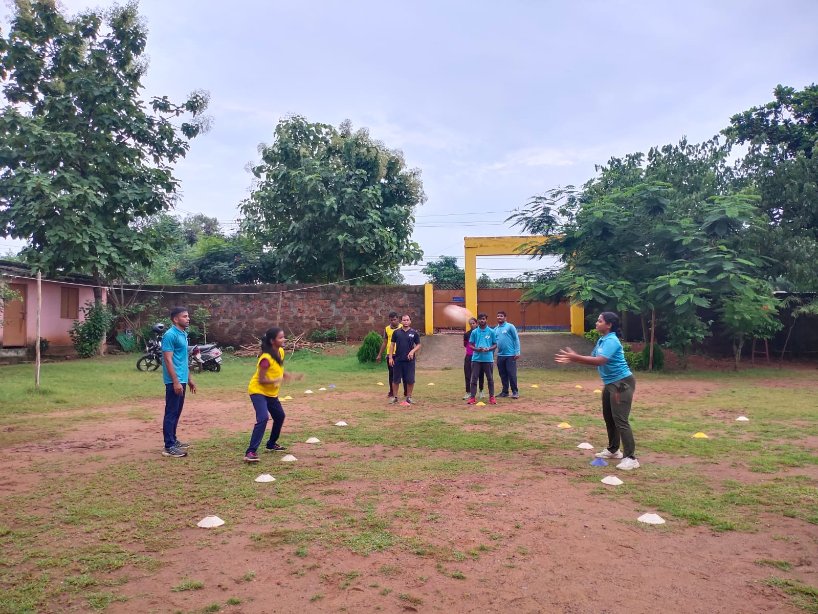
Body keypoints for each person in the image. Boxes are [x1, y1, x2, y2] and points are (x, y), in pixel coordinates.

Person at [555, 312, 639, 471]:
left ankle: (631, 458)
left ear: (609, 325)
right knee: (609, 417)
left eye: (599, 321)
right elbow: (594, 360)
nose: (596, 323)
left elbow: (601, 361)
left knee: (620, 419)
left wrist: (575, 357)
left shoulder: (612, 340)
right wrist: (575, 358)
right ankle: (614, 450)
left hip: (622, 383)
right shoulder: (602, 340)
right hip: (610, 383)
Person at [244, 327, 300, 463]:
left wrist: (287, 375)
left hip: (271, 393)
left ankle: (271, 443)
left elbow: (278, 368)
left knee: (280, 416)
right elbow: (261, 380)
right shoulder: (265, 358)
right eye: (280, 337)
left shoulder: (280, 351)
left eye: (283, 336)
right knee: (263, 418)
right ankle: (250, 452)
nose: (284, 339)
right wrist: (277, 380)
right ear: (272, 341)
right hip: (258, 391)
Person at [161, 306, 196, 457]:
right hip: (173, 380)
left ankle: (173, 440)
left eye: (188, 316)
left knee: (177, 412)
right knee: (171, 412)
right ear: (175, 319)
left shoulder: (183, 333)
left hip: (182, 378)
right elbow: (168, 360)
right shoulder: (170, 335)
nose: (188, 318)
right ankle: (169, 446)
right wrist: (175, 381)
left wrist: (189, 379)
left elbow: (183, 359)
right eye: (185, 316)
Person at [387, 314, 421, 406]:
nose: (406, 322)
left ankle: (409, 397)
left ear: (410, 321)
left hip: (409, 361)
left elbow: (418, 345)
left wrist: (412, 351)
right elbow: (392, 345)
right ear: (401, 321)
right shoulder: (396, 332)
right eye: (404, 320)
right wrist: (390, 357)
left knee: (410, 379)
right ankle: (395, 397)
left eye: (407, 320)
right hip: (398, 359)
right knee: (396, 380)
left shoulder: (414, 333)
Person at [467, 313, 496, 405]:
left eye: (483, 319)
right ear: (478, 321)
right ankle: (472, 397)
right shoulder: (474, 332)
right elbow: (470, 344)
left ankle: (492, 397)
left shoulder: (491, 332)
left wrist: (489, 349)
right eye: (479, 319)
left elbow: (495, 344)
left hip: (488, 359)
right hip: (476, 359)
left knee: (490, 379)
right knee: (474, 378)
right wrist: (477, 349)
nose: (481, 321)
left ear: (486, 320)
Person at [376, 311, 406, 398]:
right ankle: (392, 392)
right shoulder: (387, 329)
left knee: (404, 374)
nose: (393, 321)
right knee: (392, 374)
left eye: (395, 319)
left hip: (401, 354)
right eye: (391, 320)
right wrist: (379, 354)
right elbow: (385, 342)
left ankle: (406, 392)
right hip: (391, 355)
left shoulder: (403, 327)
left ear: (398, 319)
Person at [495, 311, 521, 398]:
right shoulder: (495, 329)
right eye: (498, 316)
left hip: (510, 355)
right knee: (502, 374)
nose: (499, 317)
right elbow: (494, 343)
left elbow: (516, 339)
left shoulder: (510, 326)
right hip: (500, 356)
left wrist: (517, 351)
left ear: (505, 318)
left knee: (511, 373)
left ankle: (515, 392)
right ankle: (505, 392)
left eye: (501, 316)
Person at [462, 317, 485, 400]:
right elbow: (465, 345)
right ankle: (468, 392)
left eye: (473, 323)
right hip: (469, 356)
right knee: (468, 374)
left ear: (477, 323)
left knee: (480, 374)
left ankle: (481, 391)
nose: (472, 325)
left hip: (479, 356)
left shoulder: (481, 333)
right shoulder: (467, 334)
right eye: (470, 323)